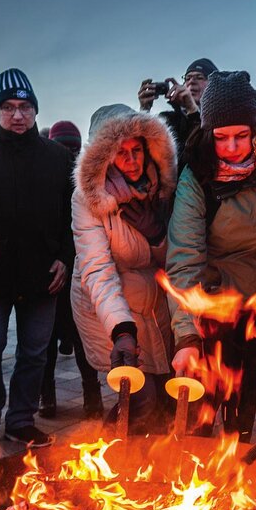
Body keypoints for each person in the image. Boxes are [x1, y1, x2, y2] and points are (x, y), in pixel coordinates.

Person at [165, 71, 256, 440]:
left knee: (246, 386)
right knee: (211, 391)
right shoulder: (197, 179)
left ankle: (240, 449)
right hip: (220, 303)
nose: (233, 147)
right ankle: (198, 454)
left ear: (254, 130)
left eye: (241, 135)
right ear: (208, 134)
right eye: (221, 137)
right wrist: (187, 338)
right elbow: (184, 259)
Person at [0, 69, 73, 450]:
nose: (18, 115)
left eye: (25, 106)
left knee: (35, 352)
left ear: (36, 109)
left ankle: (21, 419)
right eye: (8, 107)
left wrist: (65, 258)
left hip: (43, 274)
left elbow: (72, 216)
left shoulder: (58, 158)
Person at [70, 104, 177, 432]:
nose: (131, 160)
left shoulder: (161, 188)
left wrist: (157, 235)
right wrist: (122, 332)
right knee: (140, 398)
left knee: (165, 401)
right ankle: (114, 456)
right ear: (104, 157)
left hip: (153, 306)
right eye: (120, 152)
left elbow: (177, 257)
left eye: (137, 150)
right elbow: (97, 269)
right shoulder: (87, 199)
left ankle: (151, 460)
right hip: (105, 308)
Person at [40, 119, 103, 420]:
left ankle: (91, 392)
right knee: (46, 339)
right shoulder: (44, 177)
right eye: (63, 148)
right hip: (49, 268)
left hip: (78, 268)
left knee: (81, 336)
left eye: (73, 149)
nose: (68, 155)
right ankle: (47, 393)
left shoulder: (85, 180)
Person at [138, 57, 217, 165]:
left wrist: (192, 110)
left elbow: (207, 149)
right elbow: (143, 150)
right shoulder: (168, 120)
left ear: (213, 84)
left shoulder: (221, 118)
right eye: (187, 78)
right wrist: (144, 111)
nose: (191, 81)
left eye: (199, 77)